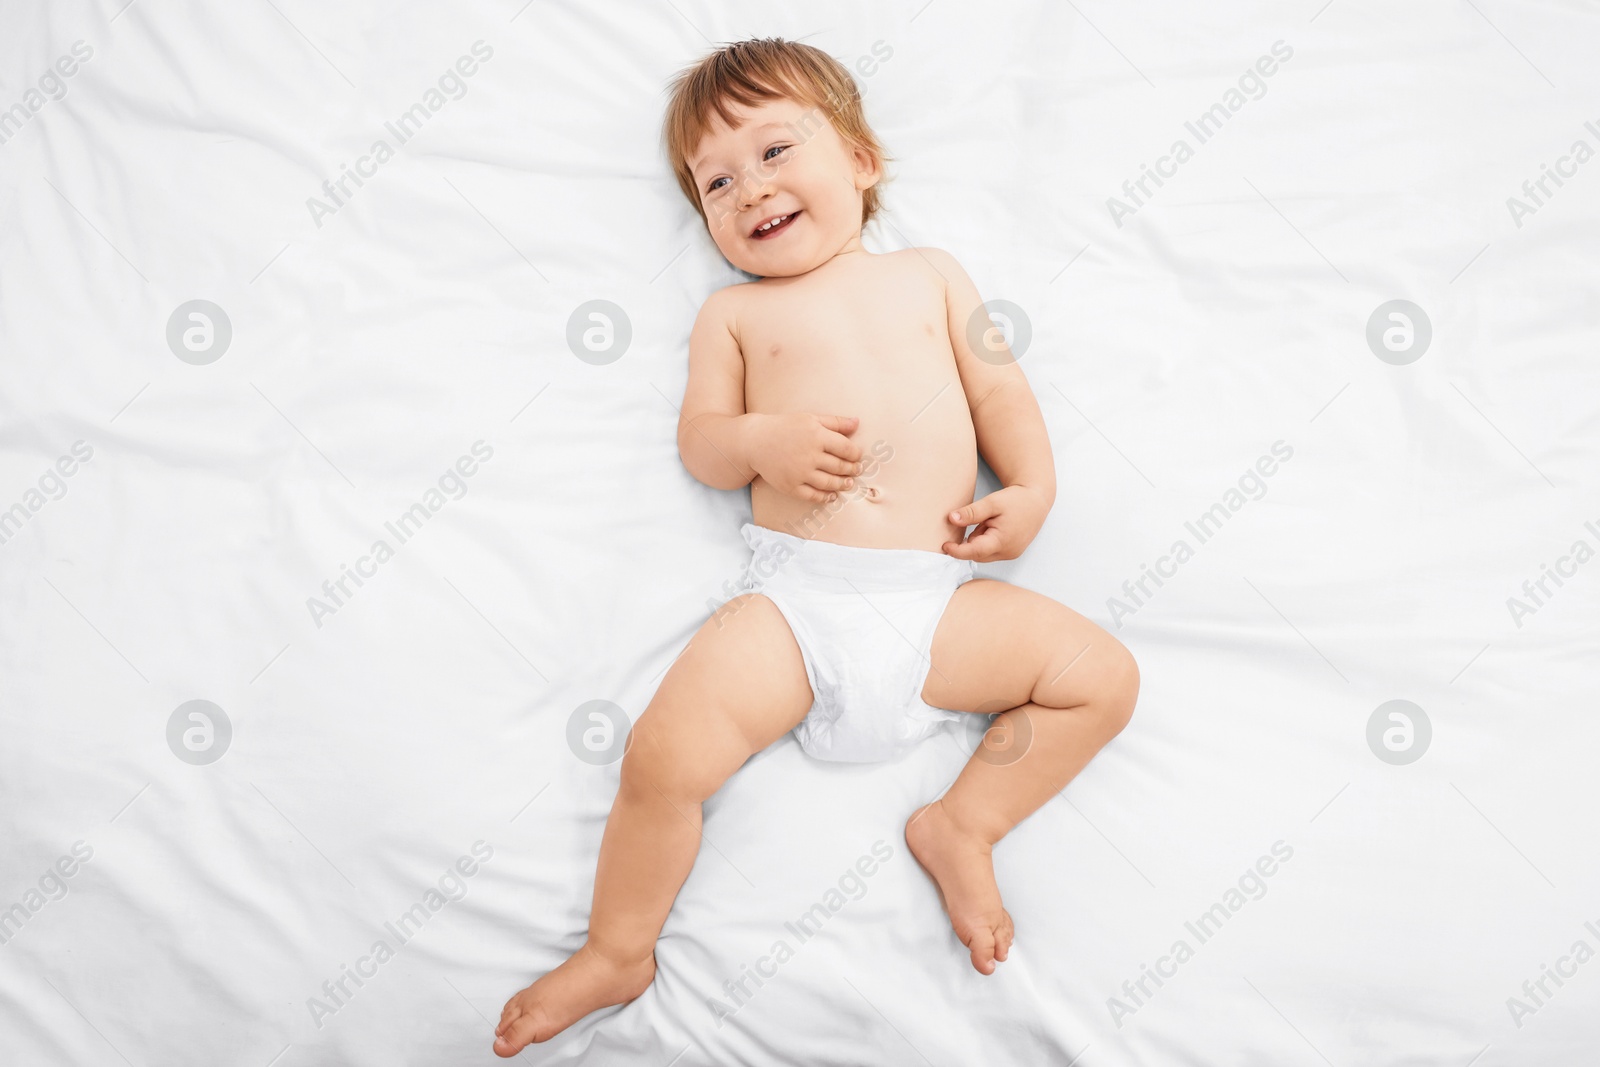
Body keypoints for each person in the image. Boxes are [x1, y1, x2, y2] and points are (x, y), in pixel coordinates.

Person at [494, 36, 1139, 1056]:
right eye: (715, 181)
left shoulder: (931, 276)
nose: (749, 189)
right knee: (661, 759)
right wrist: (761, 439)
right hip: (797, 605)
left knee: (1098, 676)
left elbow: (999, 391)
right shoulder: (733, 315)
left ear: (862, 162)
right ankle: (619, 947)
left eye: (774, 151)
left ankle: (962, 824)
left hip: (938, 605)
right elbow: (703, 443)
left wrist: (1031, 488)